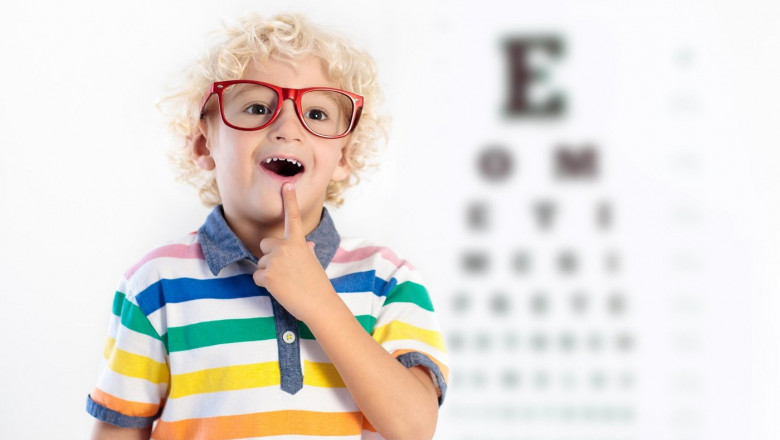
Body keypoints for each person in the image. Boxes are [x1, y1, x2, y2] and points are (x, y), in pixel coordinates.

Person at [86, 12, 448, 440]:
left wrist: (319, 301)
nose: (287, 128)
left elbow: (415, 427)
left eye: (316, 113)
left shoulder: (388, 280)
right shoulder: (155, 284)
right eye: (258, 107)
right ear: (204, 144)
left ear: (344, 156)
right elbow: (118, 432)